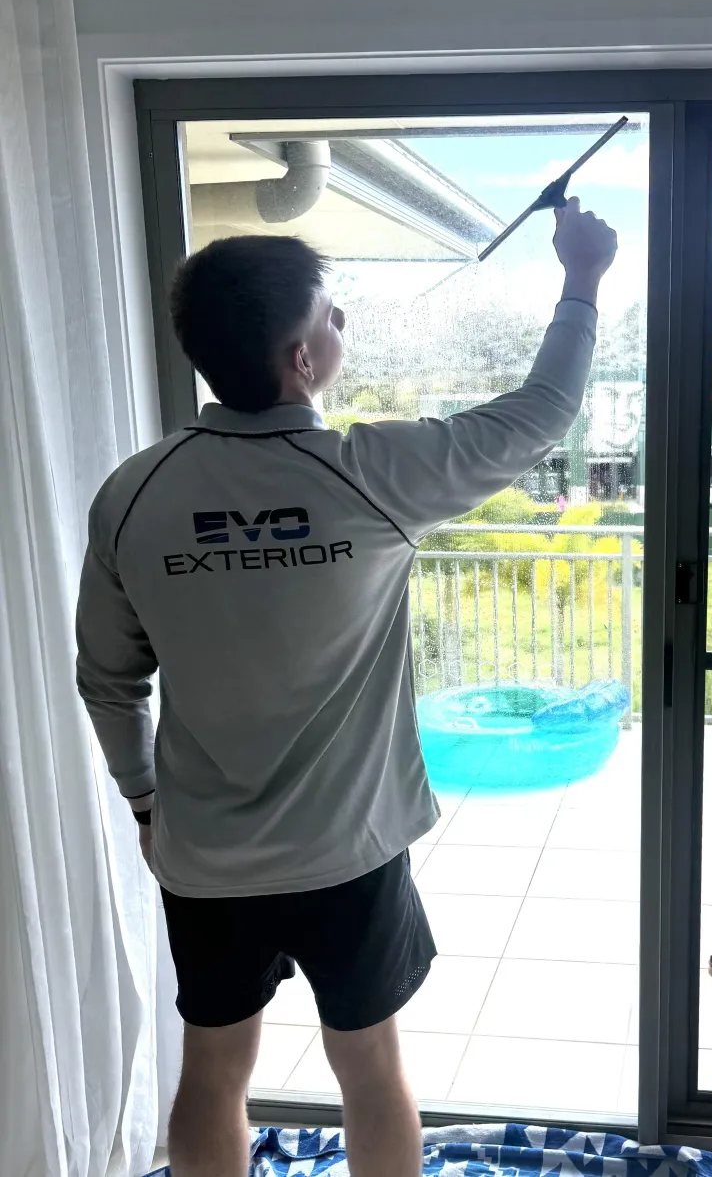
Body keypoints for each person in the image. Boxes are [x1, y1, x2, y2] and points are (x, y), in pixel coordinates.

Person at [75, 199, 617, 1177]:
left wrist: (146, 803)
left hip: (208, 858)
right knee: (369, 1067)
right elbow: (540, 413)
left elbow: (109, 681)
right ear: (302, 359)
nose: (342, 327)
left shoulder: (133, 491)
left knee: (214, 1070)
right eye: (332, 315)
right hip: (350, 852)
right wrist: (581, 277)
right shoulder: (374, 473)